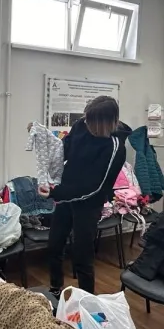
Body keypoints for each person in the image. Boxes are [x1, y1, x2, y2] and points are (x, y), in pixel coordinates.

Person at [38, 96, 131, 296]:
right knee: (54, 246)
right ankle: (55, 289)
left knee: (82, 256)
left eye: (91, 121)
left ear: (105, 123)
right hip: (66, 197)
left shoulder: (115, 147)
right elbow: (64, 149)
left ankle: (87, 299)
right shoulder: (81, 124)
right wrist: (43, 141)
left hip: (89, 204)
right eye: (86, 119)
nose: (86, 124)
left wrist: (55, 192)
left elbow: (93, 187)